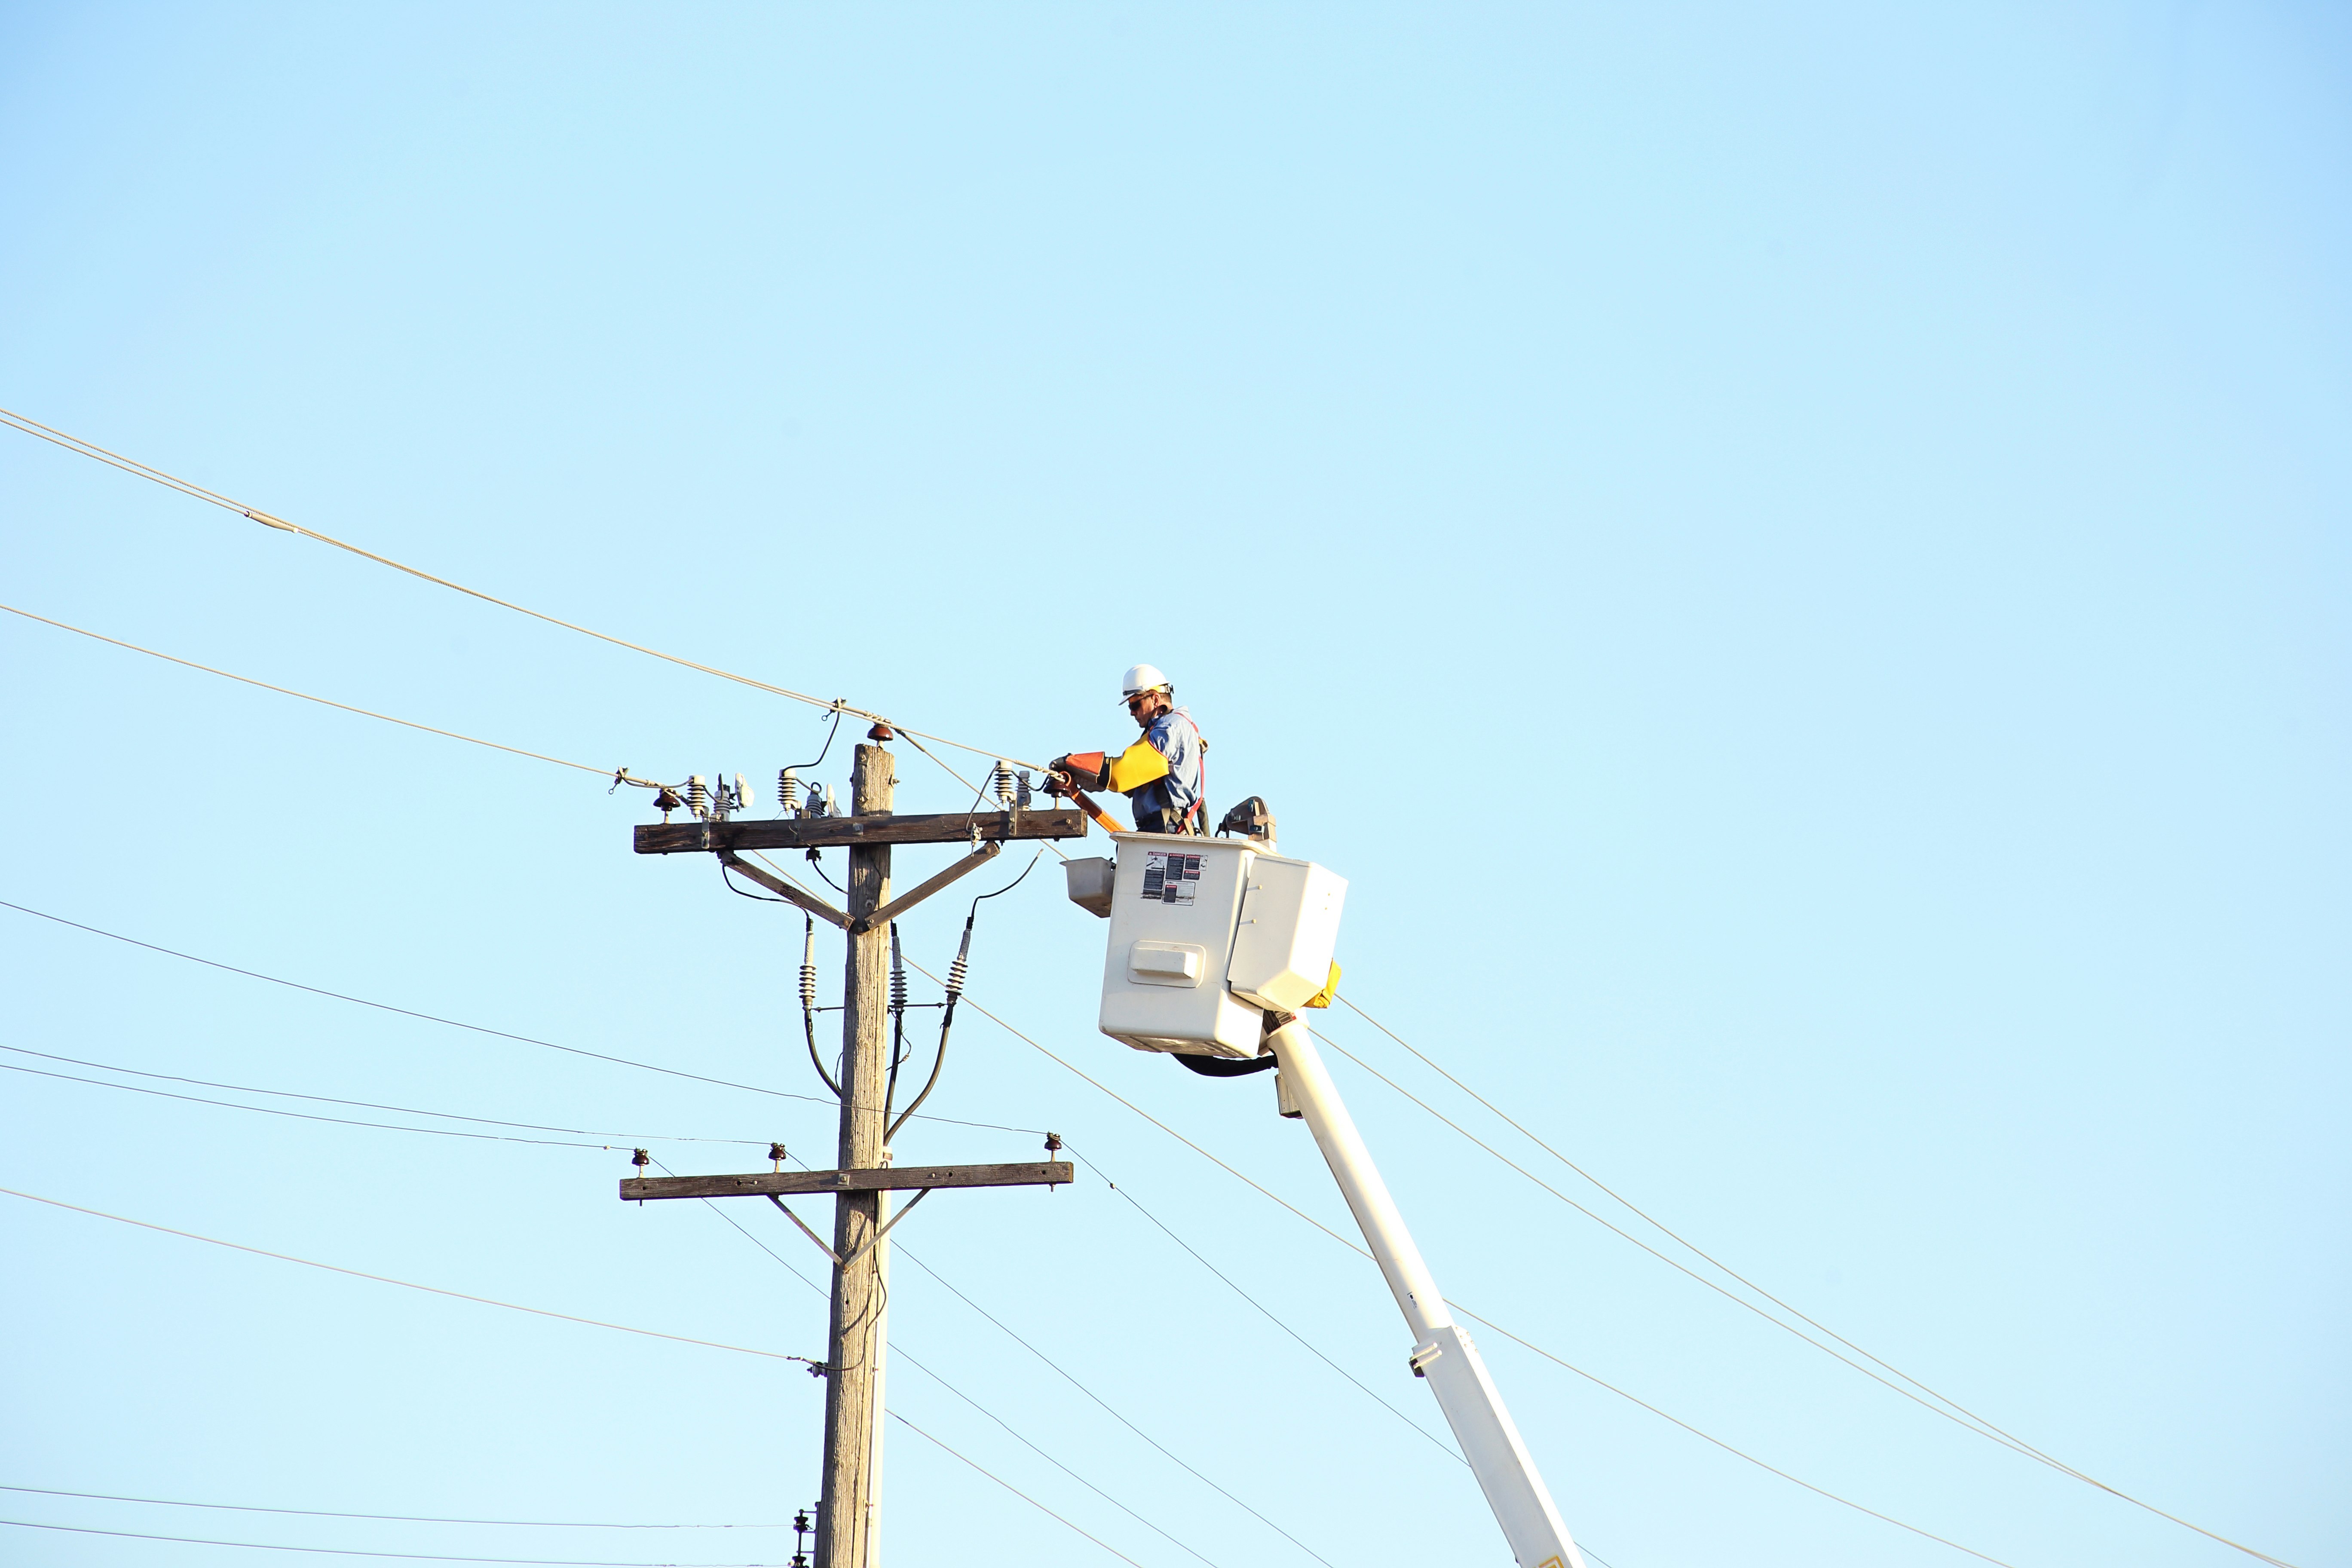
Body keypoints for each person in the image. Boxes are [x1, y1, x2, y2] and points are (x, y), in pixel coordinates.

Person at [1048, 664, 1208, 834]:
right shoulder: (1165, 729)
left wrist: (1072, 762)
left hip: (1165, 828)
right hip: (1161, 827)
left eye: (1135, 705)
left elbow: (1122, 773)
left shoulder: (1169, 728)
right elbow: (1129, 785)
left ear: (1155, 699)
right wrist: (1077, 775)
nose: (1132, 713)